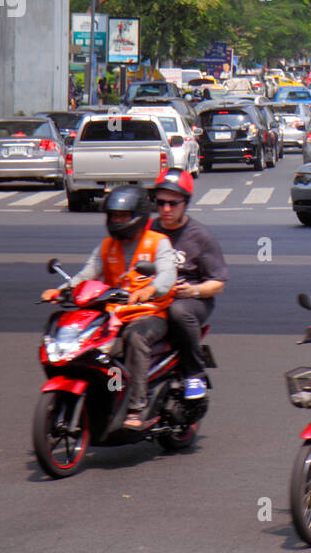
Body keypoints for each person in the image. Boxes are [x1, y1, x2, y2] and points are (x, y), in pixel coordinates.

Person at [41, 186, 176, 428]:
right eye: (114, 216)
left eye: (123, 216)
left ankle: (137, 405)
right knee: (89, 347)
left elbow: (167, 277)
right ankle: (101, 399)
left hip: (150, 314)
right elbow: (86, 275)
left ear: (139, 215)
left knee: (135, 339)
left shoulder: (158, 243)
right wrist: (61, 291)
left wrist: (148, 291)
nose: (117, 221)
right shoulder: (106, 246)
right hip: (114, 316)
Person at [148, 168, 228, 400]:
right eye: (160, 202)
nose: (166, 209)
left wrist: (194, 290)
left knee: (178, 311)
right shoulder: (149, 230)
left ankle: (194, 374)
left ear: (186, 203)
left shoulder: (201, 237)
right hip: (153, 296)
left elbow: (218, 283)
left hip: (192, 300)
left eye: (173, 203)